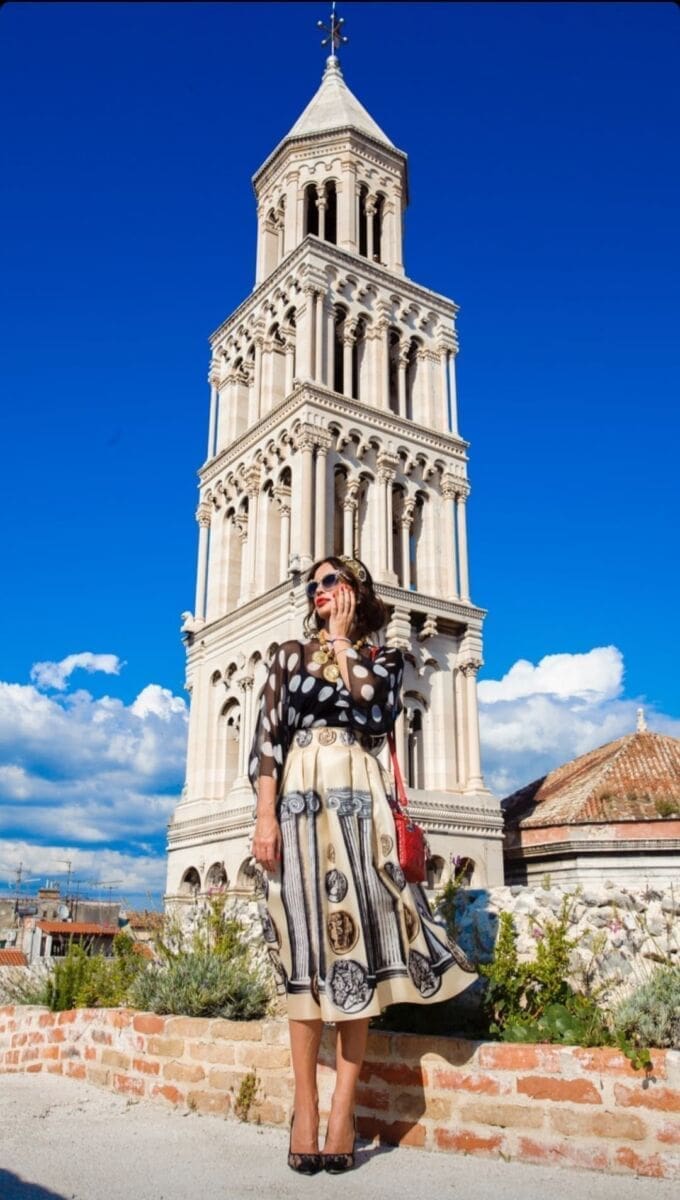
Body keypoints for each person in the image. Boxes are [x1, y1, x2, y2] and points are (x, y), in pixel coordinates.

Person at [249, 555, 472, 1174]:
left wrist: (345, 644)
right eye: (313, 585)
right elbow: (267, 742)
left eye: (331, 581)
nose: (318, 590)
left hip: (360, 803)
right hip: (298, 799)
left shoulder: (385, 659)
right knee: (303, 950)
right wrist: (264, 818)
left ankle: (342, 1112)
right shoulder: (288, 655)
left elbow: (375, 716)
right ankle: (304, 1107)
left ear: (356, 592)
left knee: (355, 956)